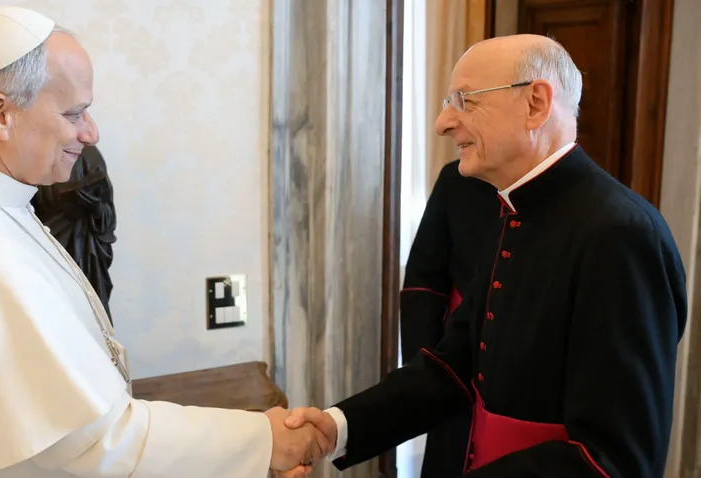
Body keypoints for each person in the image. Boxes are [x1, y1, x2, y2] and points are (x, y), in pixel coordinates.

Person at [0, 6, 331, 478]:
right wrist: (264, 440)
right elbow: (98, 443)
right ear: (0, 113)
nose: (91, 132)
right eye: (74, 113)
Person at [279, 34, 688, 478]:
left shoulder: (621, 234)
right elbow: (453, 366)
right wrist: (337, 427)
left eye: (465, 100)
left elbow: (615, 460)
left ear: (535, 104)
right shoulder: (514, 210)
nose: (443, 123)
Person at [400, 159, 497, 478]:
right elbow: (423, 282)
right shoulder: (456, 180)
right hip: (457, 362)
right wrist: (423, 371)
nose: (446, 132)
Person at [32, 145, 117, 324]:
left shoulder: (90, 155)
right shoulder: (36, 153)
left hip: (88, 252)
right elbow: (26, 207)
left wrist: (93, 205)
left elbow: (108, 216)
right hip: (49, 246)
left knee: (91, 315)